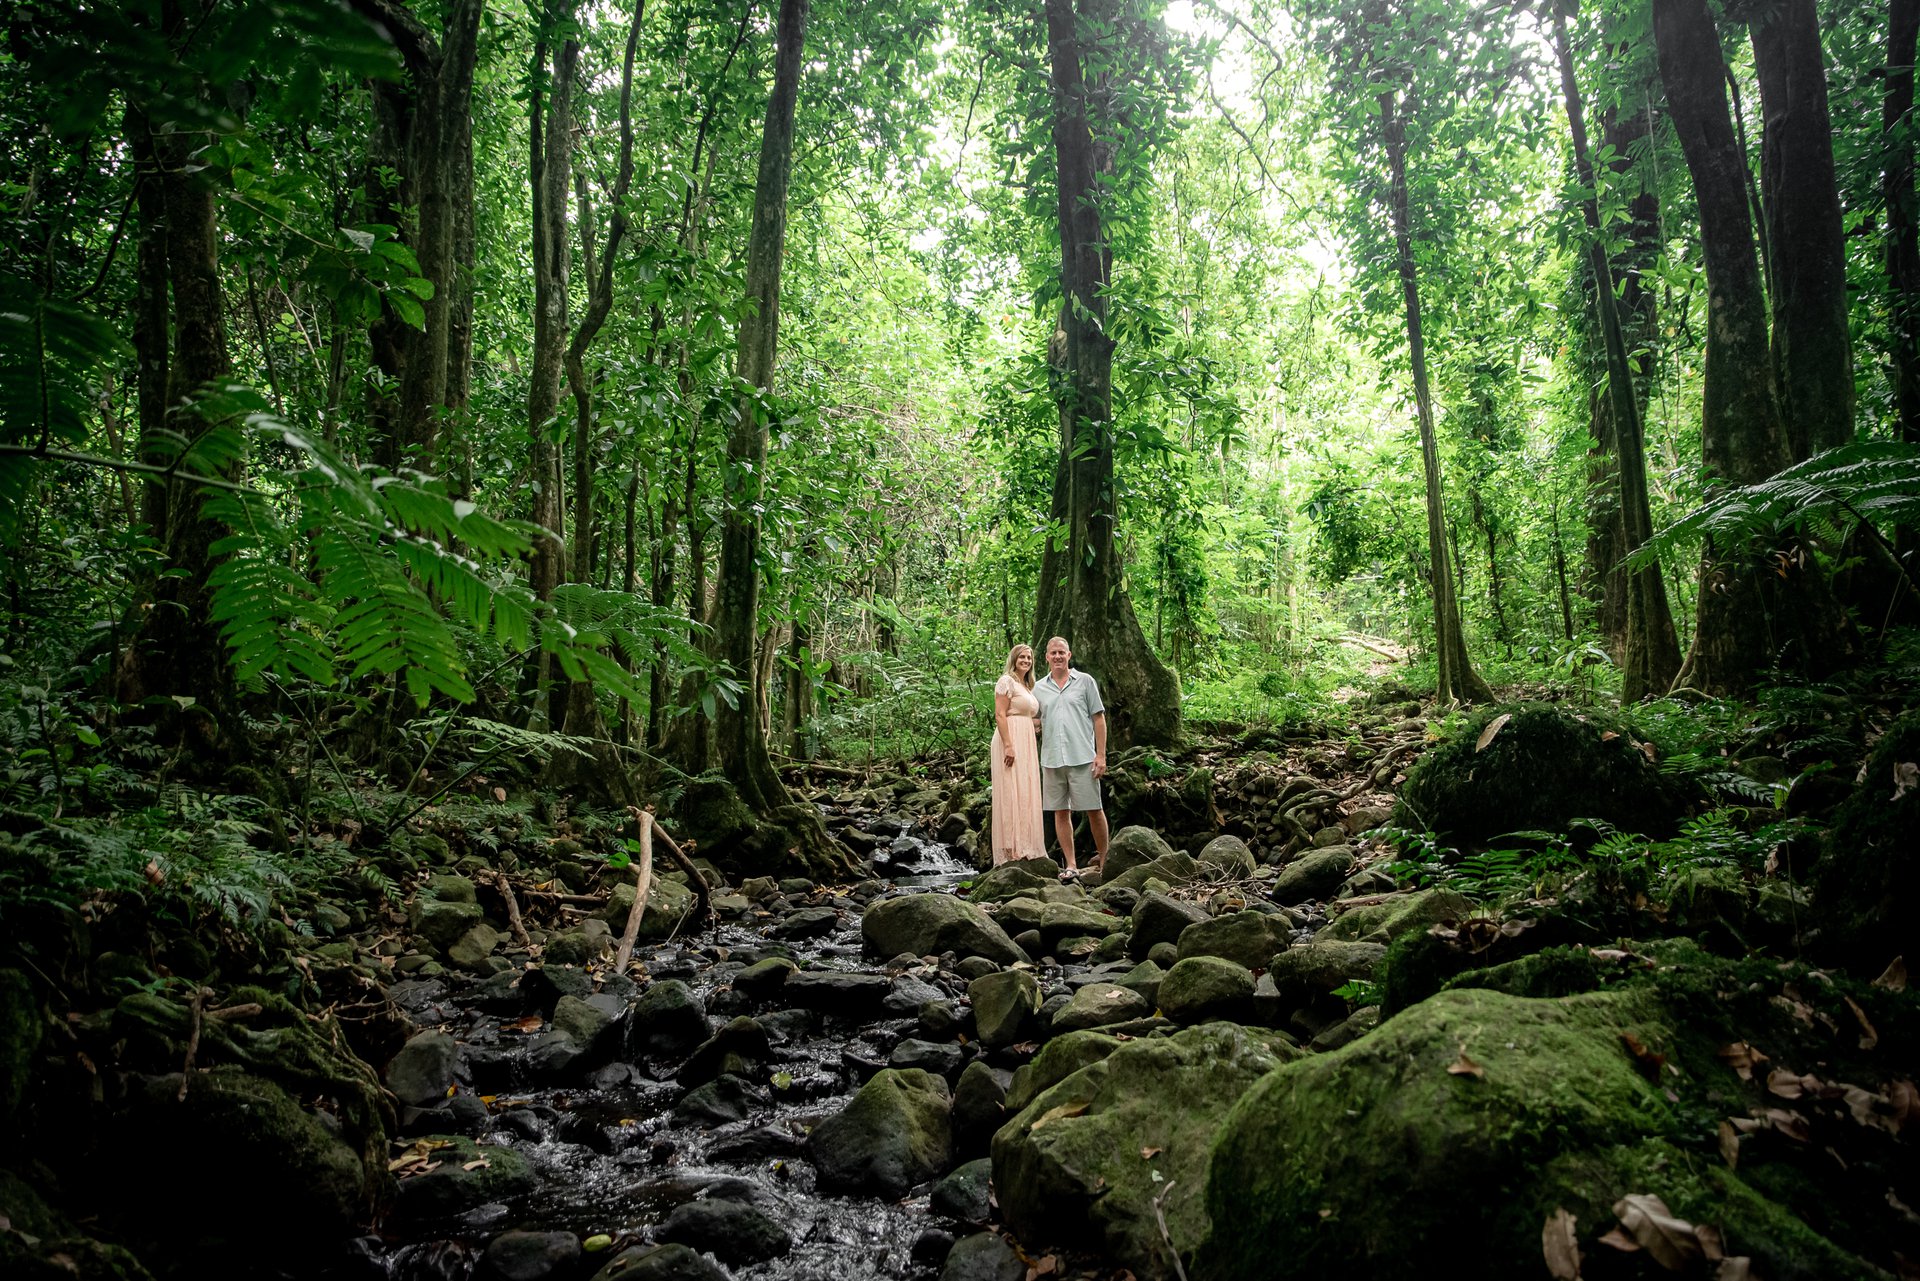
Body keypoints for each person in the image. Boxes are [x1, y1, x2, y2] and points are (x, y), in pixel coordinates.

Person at [1032, 636, 1108, 876]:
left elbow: (1099, 718)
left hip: (1082, 757)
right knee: (1060, 812)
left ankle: (1106, 860)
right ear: (1046, 657)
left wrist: (1101, 755)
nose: (1057, 656)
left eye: (1061, 652)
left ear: (1069, 655)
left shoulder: (1085, 682)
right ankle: (1072, 865)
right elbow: (1035, 720)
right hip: (1052, 760)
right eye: (1053, 653)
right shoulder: (1039, 688)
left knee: (1094, 809)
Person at [988, 644, 1046, 865]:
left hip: (1026, 741)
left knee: (1025, 789)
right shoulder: (1006, 681)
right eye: (1022, 656)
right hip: (1009, 739)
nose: (1026, 660)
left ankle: (1025, 844)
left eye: (1029, 657)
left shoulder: (1026, 685)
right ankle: (1011, 849)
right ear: (1014, 659)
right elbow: (1000, 714)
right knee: (1011, 789)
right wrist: (1009, 745)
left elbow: (1026, 717)